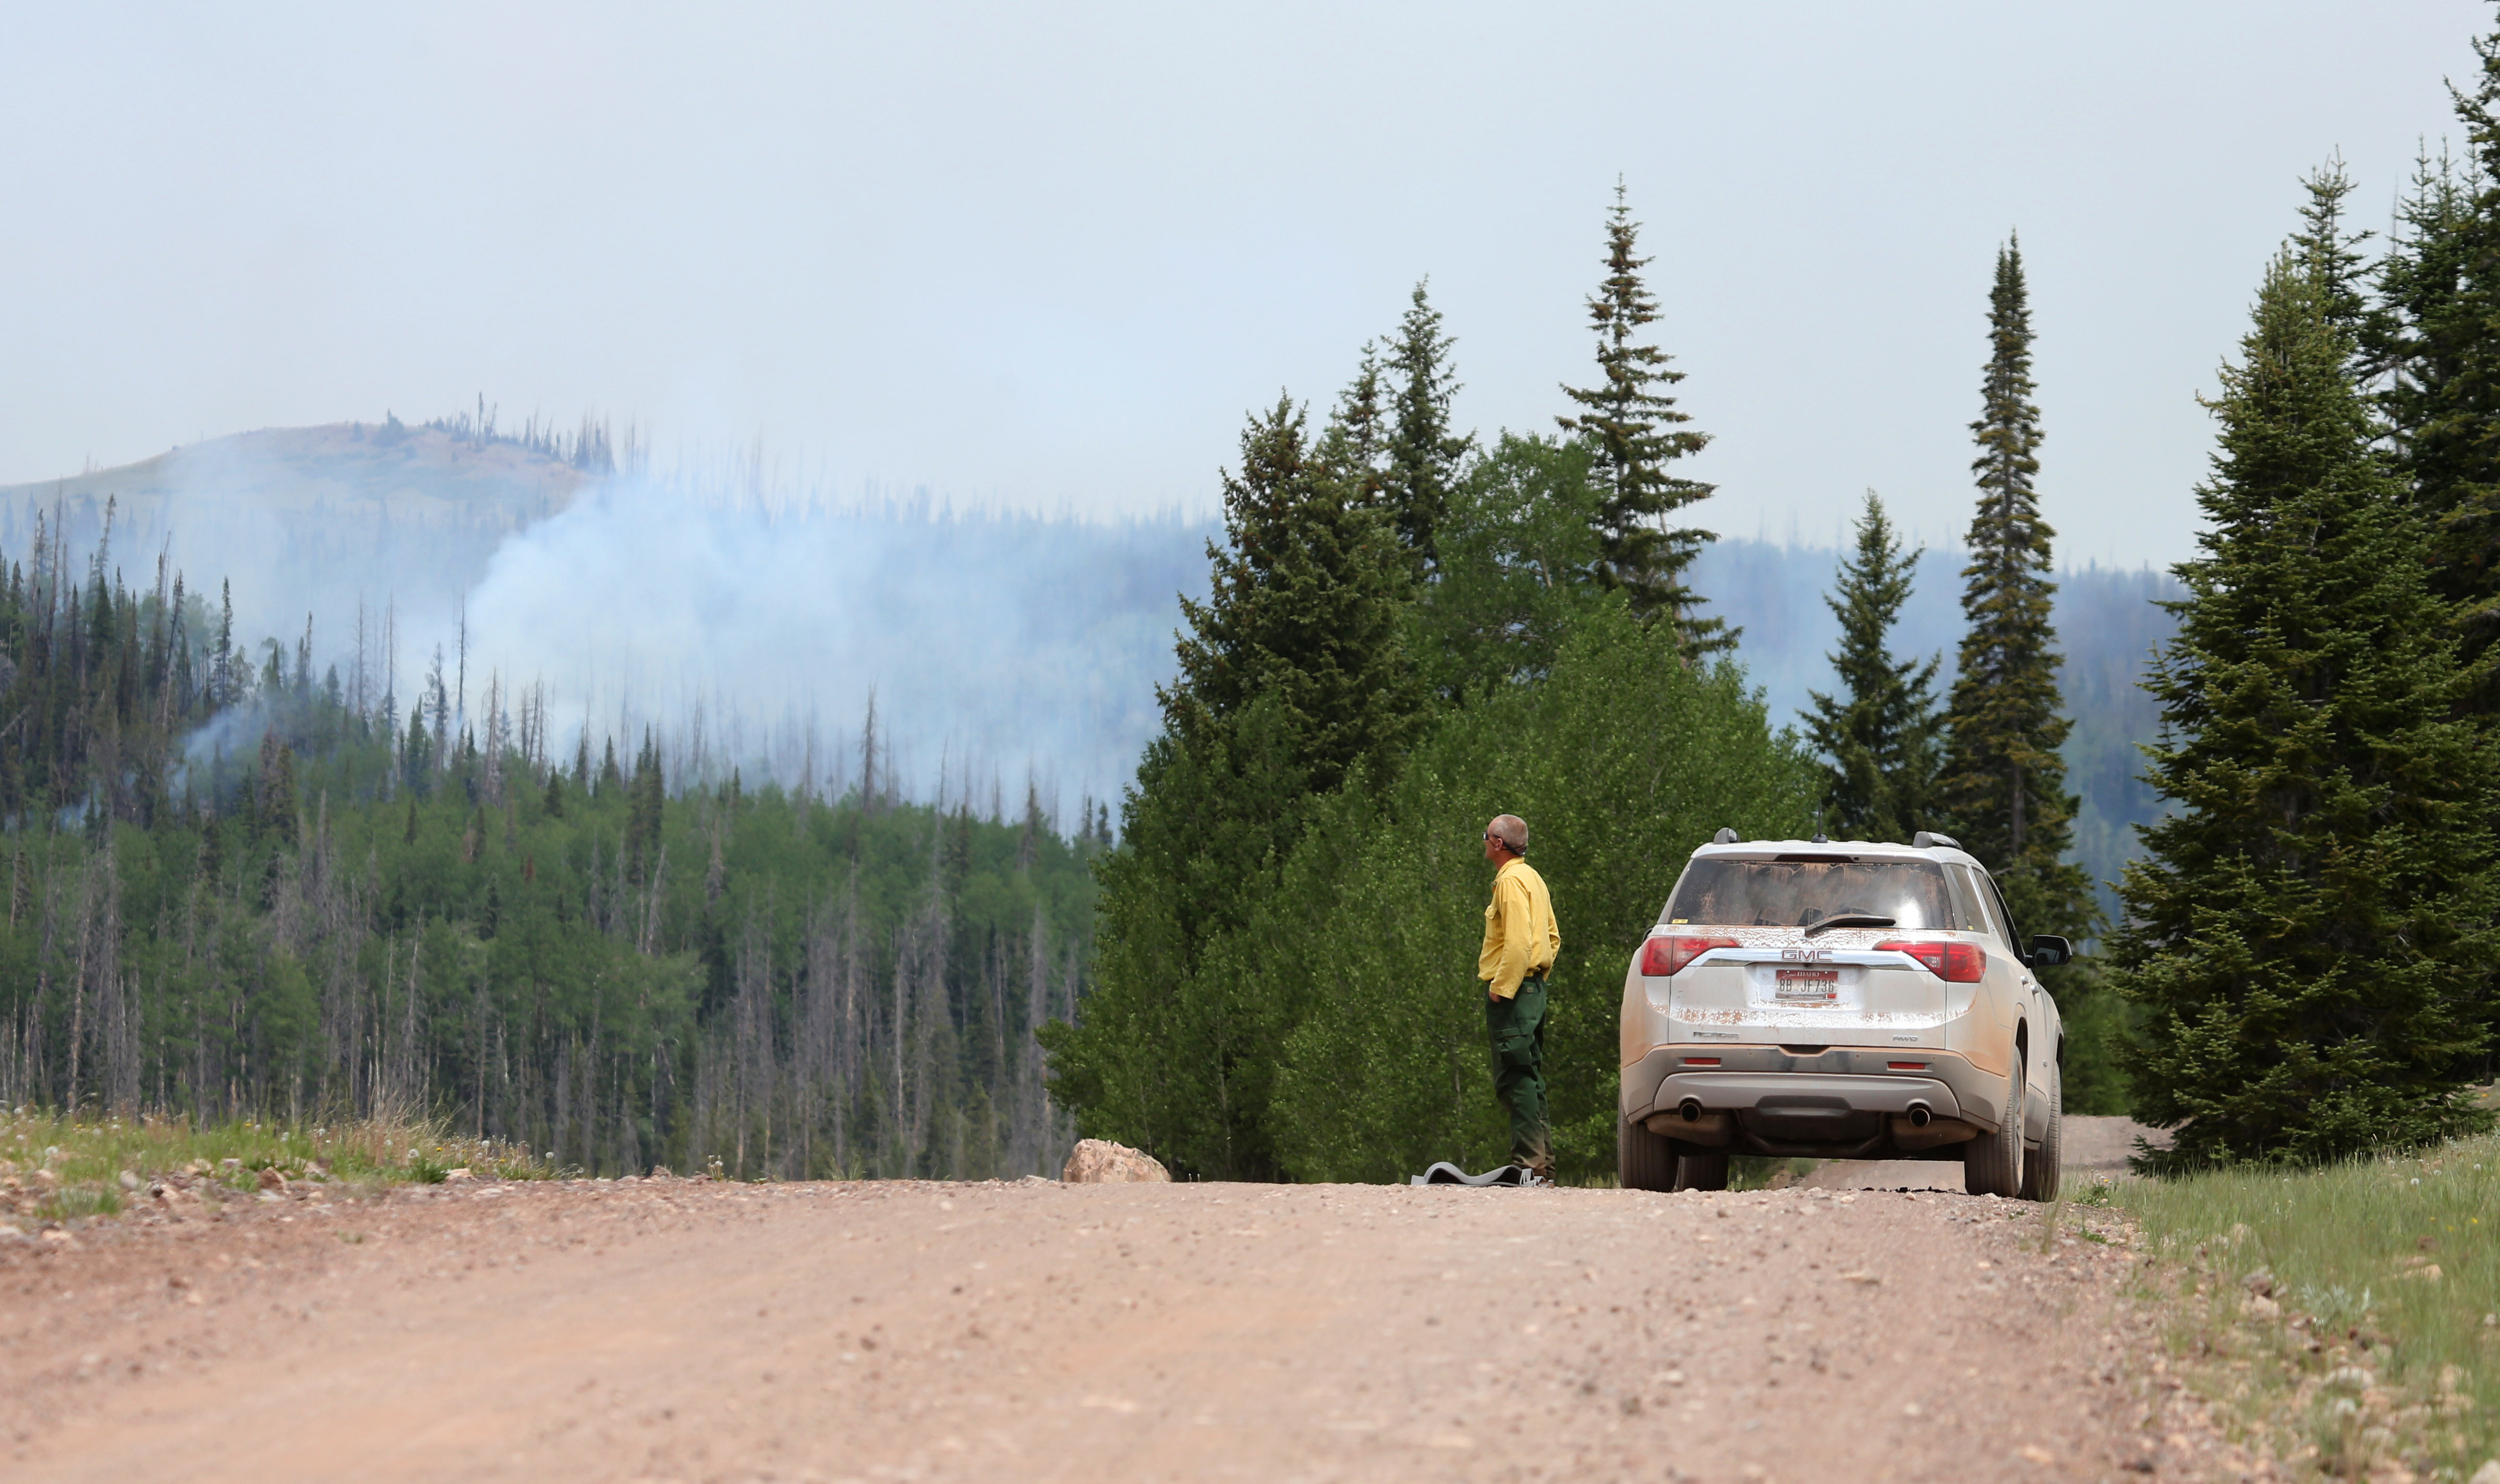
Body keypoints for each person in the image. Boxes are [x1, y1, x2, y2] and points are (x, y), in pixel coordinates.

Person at [1478, 813, 1560, 1184]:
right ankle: (1544, 1169)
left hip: (1514, 993)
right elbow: (1553, 937)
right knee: (1531, 1077)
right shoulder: (1534, 878)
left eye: (1486, 836)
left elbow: (1516, 943)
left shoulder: (1510, 882)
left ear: (1498, 843)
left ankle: (1530, 1166)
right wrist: (1537, 978)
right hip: (1533, 989)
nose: (1483, 842)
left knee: (1515, 1079)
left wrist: (1502, 989)